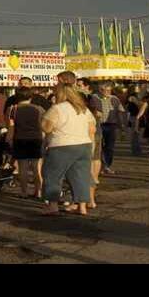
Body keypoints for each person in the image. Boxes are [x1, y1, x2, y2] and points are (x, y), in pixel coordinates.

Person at [41, 84, 96, 215]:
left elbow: (46, 127)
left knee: (53, 175)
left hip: (62, 145)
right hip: (84, 144)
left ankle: (52, 205)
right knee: (81, 176)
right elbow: (92, 128)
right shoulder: (83, 109)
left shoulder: (57, 108)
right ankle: (82, 206)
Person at [8, 87, 46, 199]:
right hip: (36, 139)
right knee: (37, 167)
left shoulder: (13, 109)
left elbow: (11, 127)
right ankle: (38, 191)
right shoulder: (39, 109)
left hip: (20, 139)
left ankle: (24, 191)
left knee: (22, 167)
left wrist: (9, 140)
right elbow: (43, 125)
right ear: (31, 97)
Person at [89, 81, 126, 175]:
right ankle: (100, 166)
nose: (106, 92)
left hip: (111, 125)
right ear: (100, 90)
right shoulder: (94, 97)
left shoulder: (115, 99)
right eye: (104, 90)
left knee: (110, 147)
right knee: (99, 146)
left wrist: (122, 126)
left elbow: (120, 111)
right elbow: (91, 110)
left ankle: (106, 166)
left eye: (108, 90)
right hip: (99, 124)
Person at [126, 84, 144, 156]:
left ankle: (136, 149)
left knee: (136, 134)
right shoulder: (132, 97)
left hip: (136, 116)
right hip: (134, 117)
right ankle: (136, 150)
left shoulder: (136, 96)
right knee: (135, 133)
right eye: (137, 88)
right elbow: (139, 104)